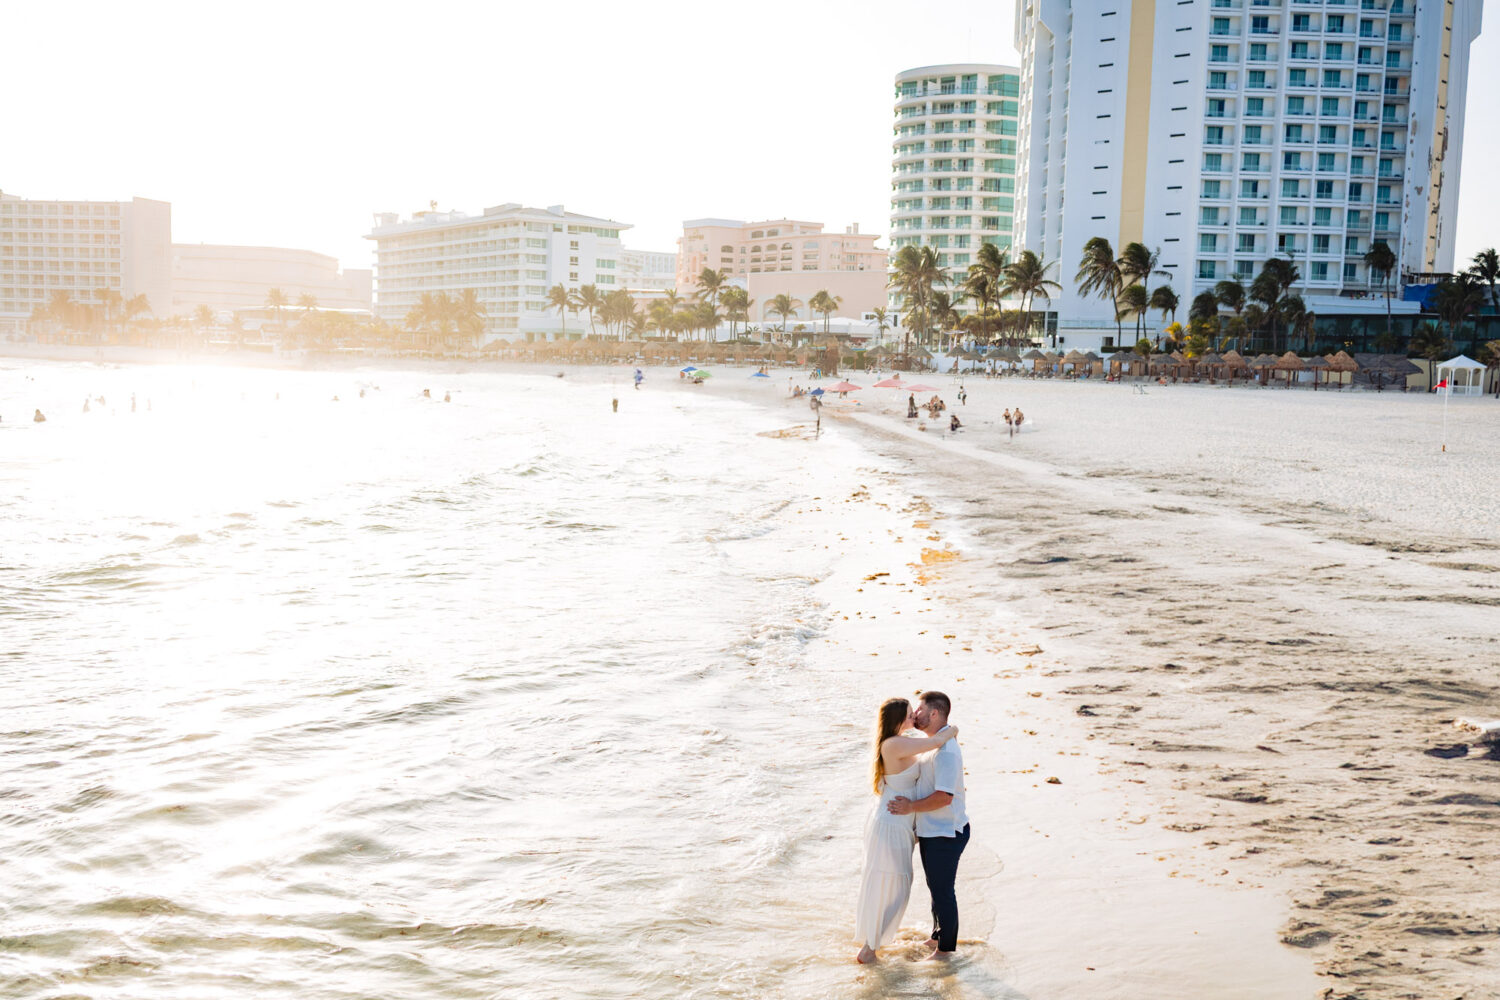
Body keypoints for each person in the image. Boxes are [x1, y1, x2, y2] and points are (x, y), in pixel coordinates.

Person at [855, 697, 959, 964]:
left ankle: (871, 942)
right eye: (911, 713)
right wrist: (954, 730)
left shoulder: (900, 742)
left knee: (892, 883)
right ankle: (869, 949)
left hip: (898, 822)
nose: (915, 716)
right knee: (895, 885)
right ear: (899, 718)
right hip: (892, 823)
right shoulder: (893, 744)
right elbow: (937, 741)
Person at [887, 691, 969, 962]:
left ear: (934, 713)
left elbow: (944, 797)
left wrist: (910, 807)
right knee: (936, 887)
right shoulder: (934, 744)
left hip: (946, 831)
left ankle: (945, 950)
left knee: (943, 891)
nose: (915, 714)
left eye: (920, 709)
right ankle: (937, 935)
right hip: (933, 829)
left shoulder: (945, 752)